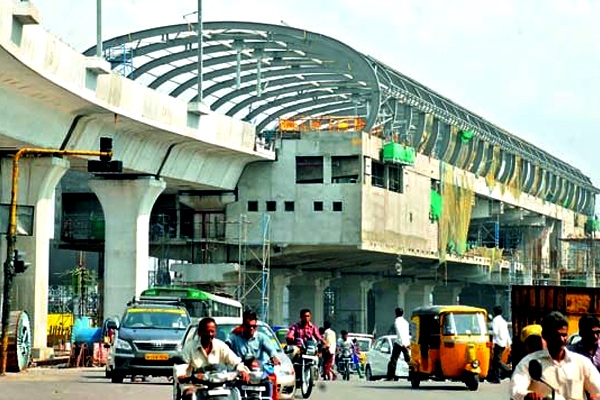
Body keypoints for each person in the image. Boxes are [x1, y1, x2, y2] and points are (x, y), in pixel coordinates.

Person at [509, 311, 600, 400]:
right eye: (556, 335)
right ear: (545, 336)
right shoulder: (529, 362)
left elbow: (597, 389)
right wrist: (528, 395)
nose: (561, 339)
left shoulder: (581, 362)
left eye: (564, 335)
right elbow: (515, 389)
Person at [178, 317, 250, 400]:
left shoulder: (221, 346)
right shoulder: (189, 347)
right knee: (189, 395)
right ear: (200, 332)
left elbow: (236, 362)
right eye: (207, 331)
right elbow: (181, 367)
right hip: (196, 386)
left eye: (212, 331)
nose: (210, 334)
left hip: (221, 386)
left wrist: (242, 370)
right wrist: (183, 376)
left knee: (237, 393)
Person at [228, 310, 280, 400]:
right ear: (243, 325)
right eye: (248, 326)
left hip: (259, 374)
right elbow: (226, 347)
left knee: (270, 383)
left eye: (254, 326)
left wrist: (274, 357)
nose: (251, 329)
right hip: (240, 374)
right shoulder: (234, 337)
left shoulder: (262, 337)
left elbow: (271, 350)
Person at [386, 307, 410, 381]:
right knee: (408, 359)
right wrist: (407, 343)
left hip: (399, 342)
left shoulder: (397, 321)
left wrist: (402, 343)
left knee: (393, 360)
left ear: (396, 313)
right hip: (406, 342)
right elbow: (406, 333)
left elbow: (399, 332)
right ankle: (413, 374)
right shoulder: (406, 322)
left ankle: (390, 376)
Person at [490, 305, 512, 383]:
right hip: (503, 342)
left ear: (494, 312)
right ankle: (497, 377)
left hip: (498, 342)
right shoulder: (503, 321)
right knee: (496, 361)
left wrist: (488, 332)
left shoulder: (495, 320)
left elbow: (495, 332)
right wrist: (509, 343)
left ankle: (507, 371)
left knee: (496, 361)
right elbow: (507, 333)